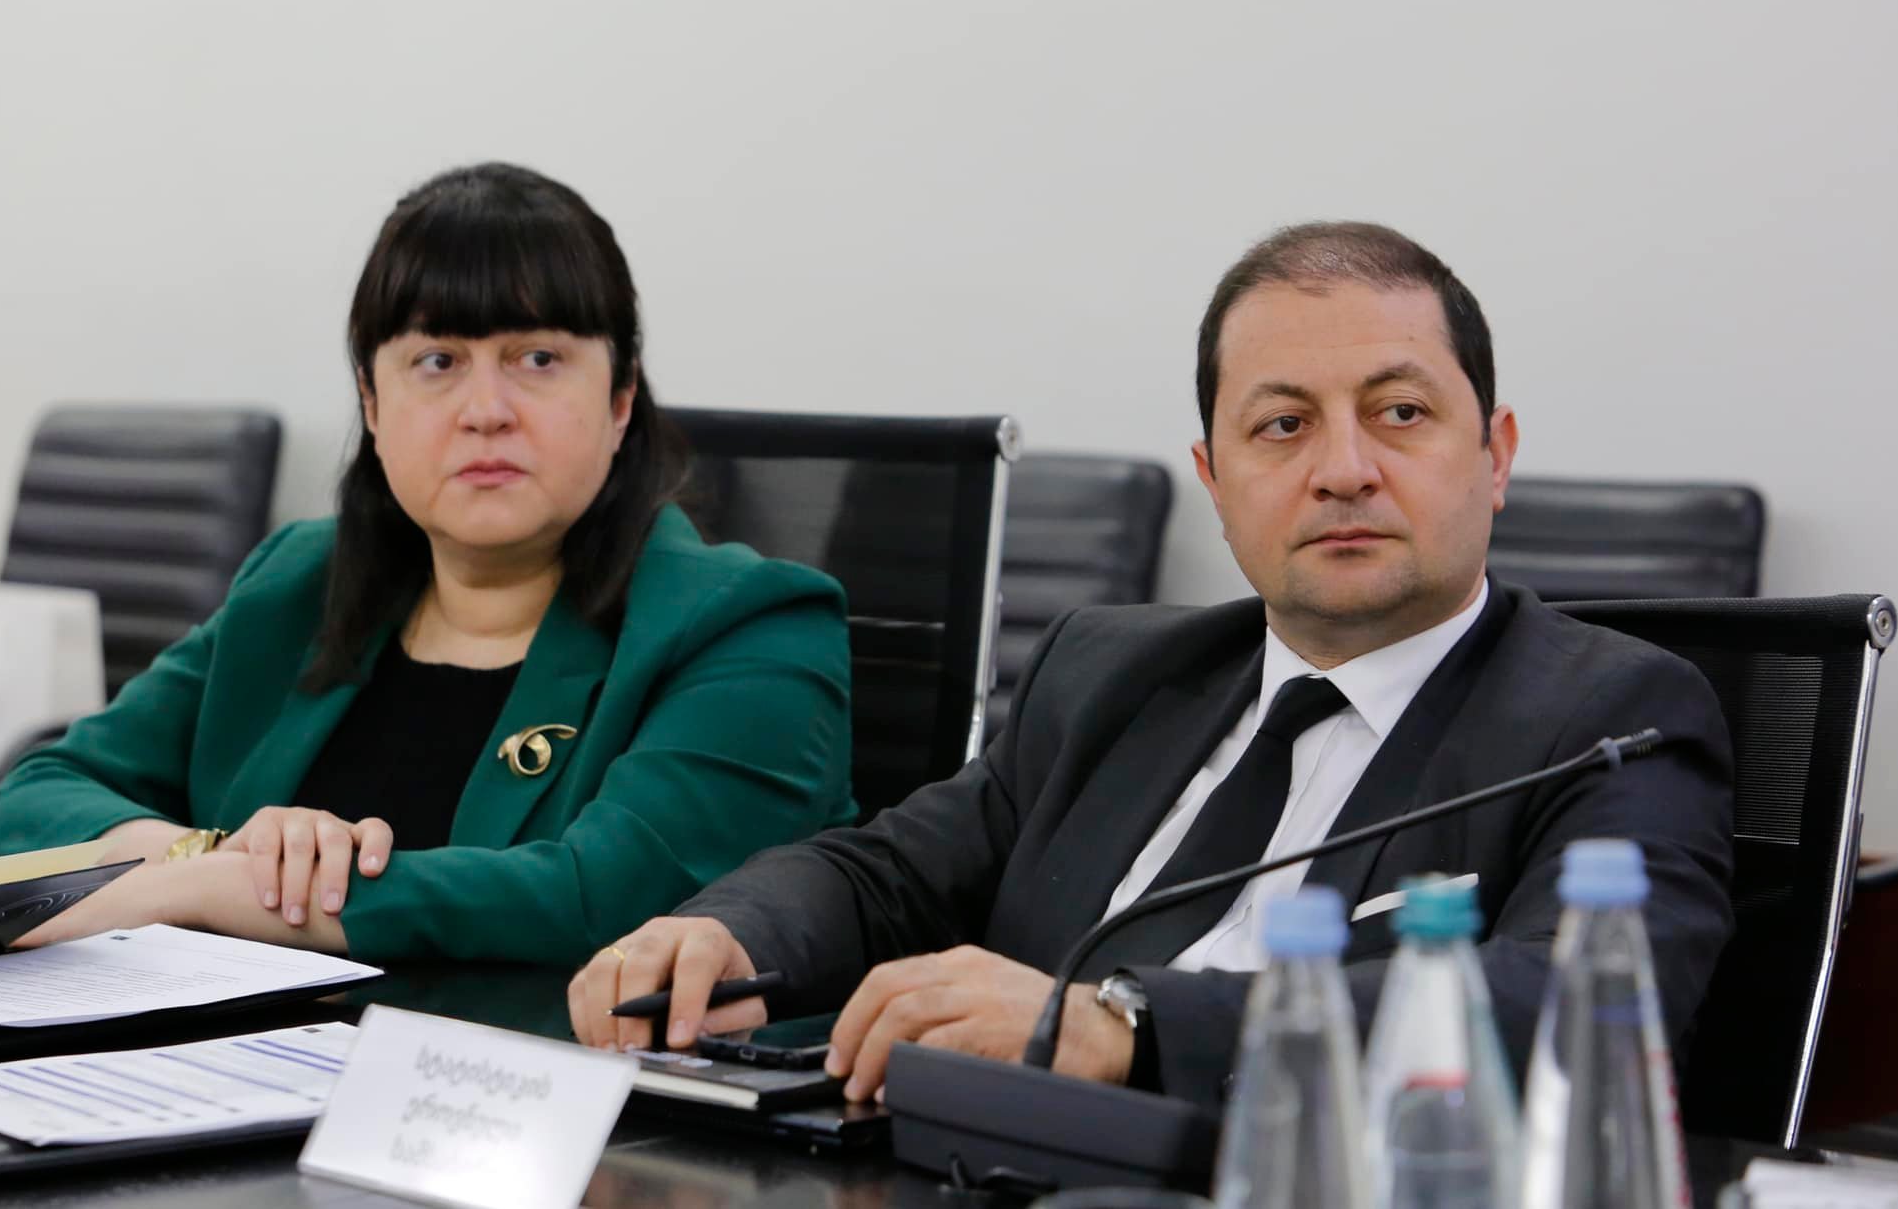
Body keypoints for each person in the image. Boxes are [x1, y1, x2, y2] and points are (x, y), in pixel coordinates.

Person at [568, 221, 1734, 1107]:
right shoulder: (1110, 672)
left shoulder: (1610, 718)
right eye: (1281, 426)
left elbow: (1576, 1007)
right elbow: (889, 875)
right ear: (1214, 479)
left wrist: (1126, 1028)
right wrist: (727, 935)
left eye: (1397, 413)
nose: (1342, 469)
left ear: (1494, 455)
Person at [0, 162, 855, 964]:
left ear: (621, 399)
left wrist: (222, 894)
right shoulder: (298, 586)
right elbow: (27, 804)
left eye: (537, 358)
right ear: (373, 403)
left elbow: (601, 901)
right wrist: (195, 857)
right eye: (437, 361)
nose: (486, 409)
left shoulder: (750, 628)